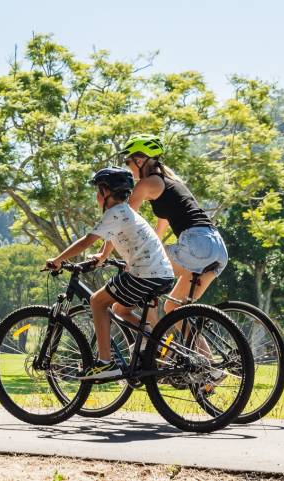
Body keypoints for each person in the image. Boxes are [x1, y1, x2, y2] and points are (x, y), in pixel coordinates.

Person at [45, 167, 174, 380]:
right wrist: (103, 256)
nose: (96, 196)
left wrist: (58, 260)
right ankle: (152, 341)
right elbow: (110, 236)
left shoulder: (115, 212)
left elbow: (87, 240)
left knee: (97, 302)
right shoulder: (125, 212)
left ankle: (105, 362)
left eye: (98, 191)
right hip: (160, 274)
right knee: (120, 309)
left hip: (144, 274)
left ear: (105, 192)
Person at [117, 134, 229, 315]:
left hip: (197, 244)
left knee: (143, 280)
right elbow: (159, 231)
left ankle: (150, 340)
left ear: (139, 161)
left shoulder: (146, 184)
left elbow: (120, 220)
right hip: (217, 248)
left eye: (127, 161)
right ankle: (187, 344)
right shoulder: (171, 185)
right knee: (173, 308)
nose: (128, 167)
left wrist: (115, 255)